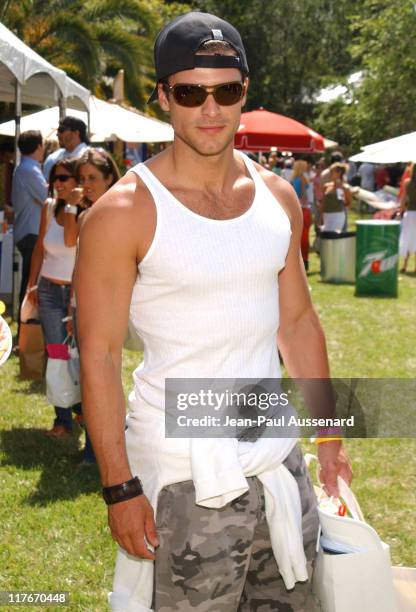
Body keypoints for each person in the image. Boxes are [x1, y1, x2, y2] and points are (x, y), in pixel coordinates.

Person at [74, 11, 352, 611]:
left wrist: (331, 433)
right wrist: (120, 489)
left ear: (244, 91)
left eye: (225, 90)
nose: (209, 109)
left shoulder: (279, 198)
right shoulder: (124, 213)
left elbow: (298, 324)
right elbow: (97, 357)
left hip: (278, 465)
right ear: (163, 98)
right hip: (182, 483)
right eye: (189, 92)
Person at [67, 148, 121, 461]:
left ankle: (102, 446)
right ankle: (96, 444)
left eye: (92, 178)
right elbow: (71, 245)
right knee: (89, 373)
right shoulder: (87, 213)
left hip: (109, 305)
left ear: (109, 179)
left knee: (100, 373)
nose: (86, 184)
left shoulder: (118, 215)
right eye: (82, 178)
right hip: (83, 303)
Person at [26, 158, 81, 436]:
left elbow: (72, 241)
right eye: (55, 178)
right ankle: (63, 419)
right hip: (47, 290)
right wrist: (31, 285)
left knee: (80, 354)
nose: (58, 184)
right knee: (57, 353)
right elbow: (39, 247)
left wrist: (72, 204)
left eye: (64, 178)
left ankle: (82, 408)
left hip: (77, 293)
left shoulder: (85, 212)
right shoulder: (48, 207)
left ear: (77, 181)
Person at [11, 131, 48, 322]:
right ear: (39, 146)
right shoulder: (30, 169)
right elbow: (46, 197)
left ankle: (25, 326)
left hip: (26, 231)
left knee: (29, 281)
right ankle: (25, 326)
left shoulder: (24, 168)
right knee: (30, 283)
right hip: (31, 233)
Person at [43, 116, 89, 182]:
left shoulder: (90, 156)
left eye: (61, 130)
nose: (57, 134)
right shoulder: (53, 158)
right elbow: (47, 186)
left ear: (76, 133)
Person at [291, 159, 311, 270]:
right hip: (303, 208)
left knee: (297, 237)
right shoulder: (303, 178)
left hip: (296, 207)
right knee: (304, 237)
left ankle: (300, 261)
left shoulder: (294, 179)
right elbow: (304, 195)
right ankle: (305, 260)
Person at [320, 162, 352, 232]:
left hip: (338, 215)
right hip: (326, 215)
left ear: (339, 173)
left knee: (334, 236)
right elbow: (323, 202)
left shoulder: (345, 188)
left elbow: (348, 204)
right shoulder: (326, 186)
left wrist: (341, 194)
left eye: (332, 171)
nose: (330, 173)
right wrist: (321, 216)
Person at [399, 163, 416, 273]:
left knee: (407, 238)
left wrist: (400, 211)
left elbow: (403, 199)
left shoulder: (407, 183)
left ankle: (404, 265)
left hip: (409, 213)